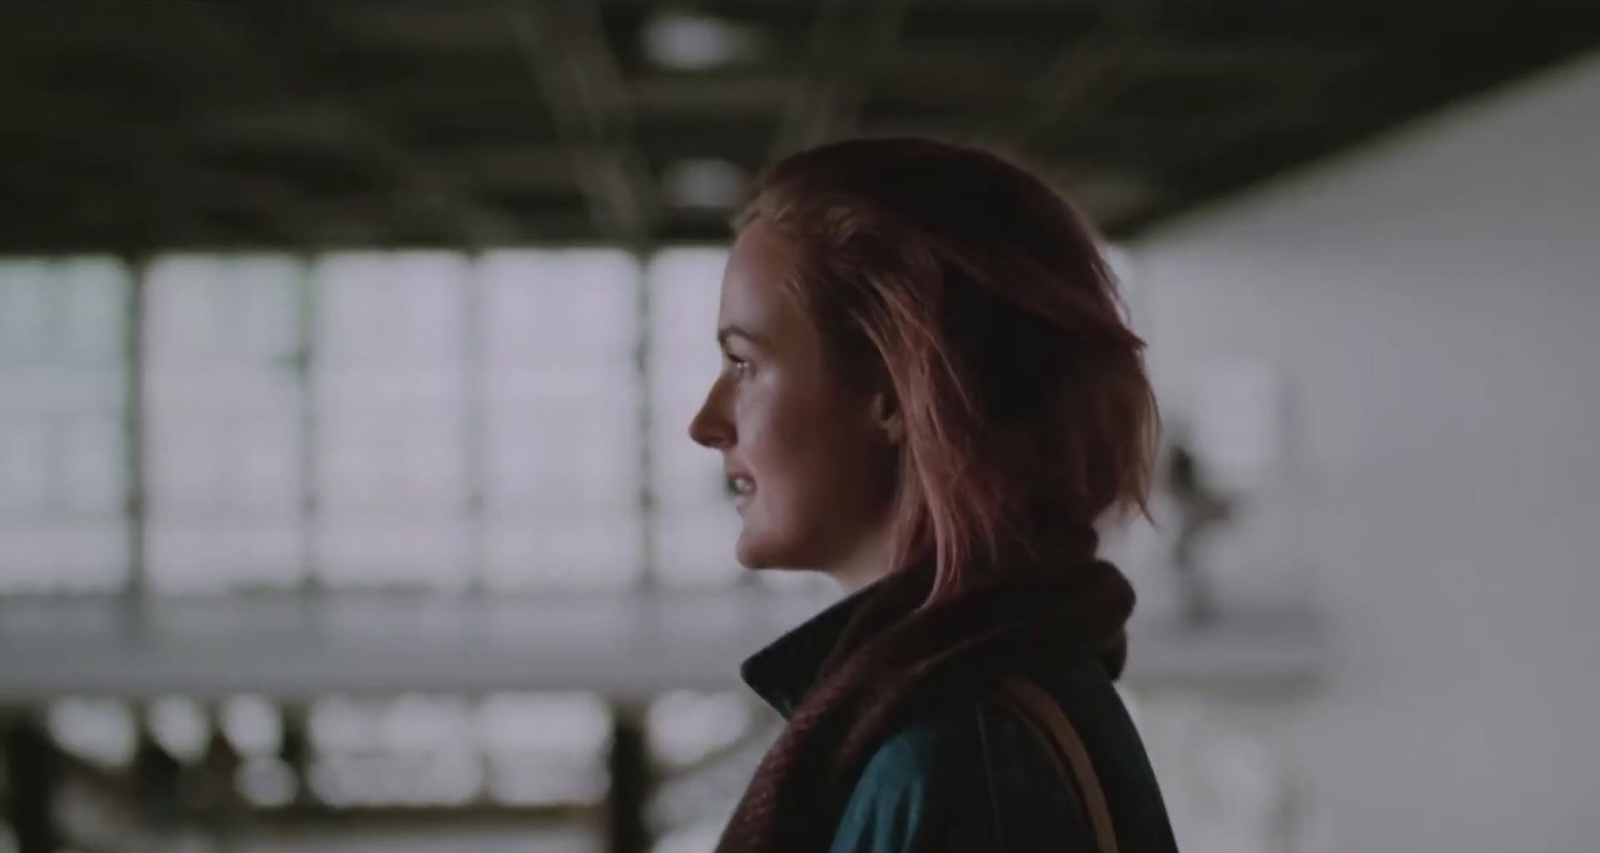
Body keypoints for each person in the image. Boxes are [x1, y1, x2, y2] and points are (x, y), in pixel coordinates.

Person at [689, 138, 1178, 853]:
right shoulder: (984, 699)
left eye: (744, 363)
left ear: (895, 387)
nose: (706, 423)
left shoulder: (960, 759)